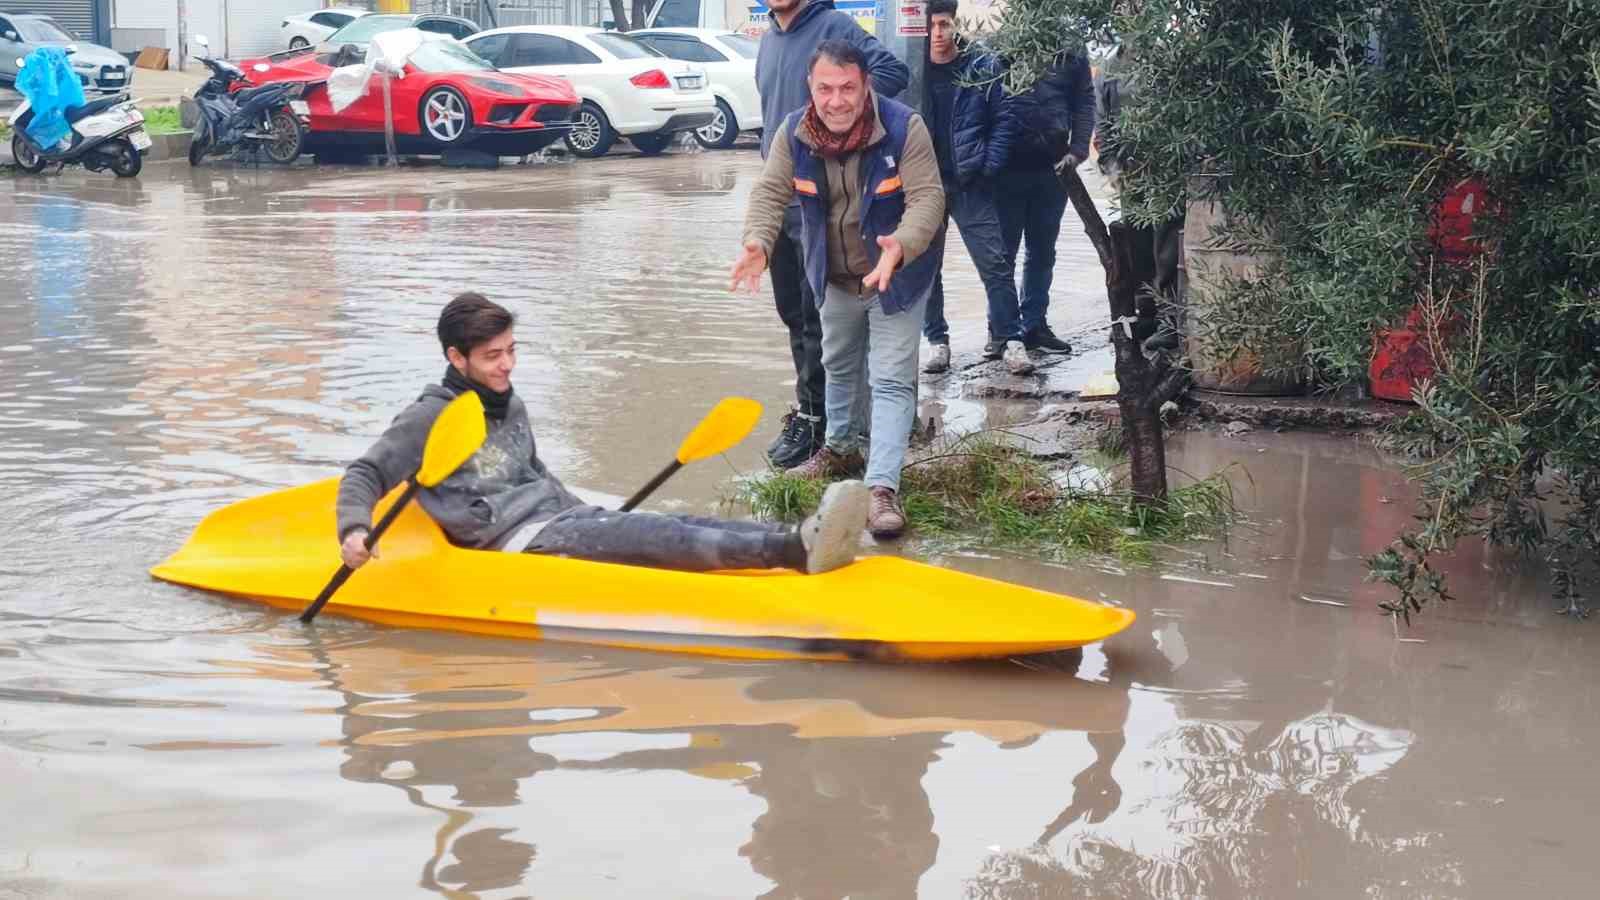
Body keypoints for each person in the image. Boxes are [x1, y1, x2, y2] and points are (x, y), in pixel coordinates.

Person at [335, 293, 870, 575]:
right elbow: (366, 472)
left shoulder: (511, 403)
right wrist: (354, 532)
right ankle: (793, 552)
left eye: (512, 350)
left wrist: (589, 512)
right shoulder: (431, 415)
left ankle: (803, 538)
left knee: (666, 523)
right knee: (656, 540)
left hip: (557, 519)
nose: (507, 366)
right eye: (492, 357)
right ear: (457, 357)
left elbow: (534, 473)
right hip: (514, 545)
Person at [733, 41, 945, 539]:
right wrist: (757, 243)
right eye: (825, 88)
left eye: (847, 87)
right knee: (838, 364)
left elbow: (929, 198)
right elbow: (769, 191)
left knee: (892, 380)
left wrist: (902, 245)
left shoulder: (903, 127)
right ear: (811, 88)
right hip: (833, 274)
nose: (836, 100)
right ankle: (839, 448)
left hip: (897, 273)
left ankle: (881, 489)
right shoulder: (793, 133)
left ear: (865, 85)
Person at [756, 0, 912, 470]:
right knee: (791, 312)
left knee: (816, 316)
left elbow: (892, 70)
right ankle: (814, 414)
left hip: (820, 200)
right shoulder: (769, 39)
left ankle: (821, 422)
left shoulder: (833, 25)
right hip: (783, 193)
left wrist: (837, 113)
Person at [917, 0, 1032, 377]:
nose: (938, 33)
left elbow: (1004, 119)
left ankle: (1011, 339)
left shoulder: (982, 66)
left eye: (944, 24)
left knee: (995, 263)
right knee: (925, 269)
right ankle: (937, 342)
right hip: (924, 187)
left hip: (971, 183)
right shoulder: (913, 69)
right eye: (931, 25)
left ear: (956, 24)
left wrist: (988, 166)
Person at [997, 41, 1097, 356]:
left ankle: (1034, 325)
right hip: (1006, 169)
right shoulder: (1004, 40)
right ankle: (1001, 330)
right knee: (1001, 256)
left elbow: (1084, 100)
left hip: (1054, 166)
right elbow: (982, 100)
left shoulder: (1070, 47)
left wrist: (1078, 151)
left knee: (1042, 252)